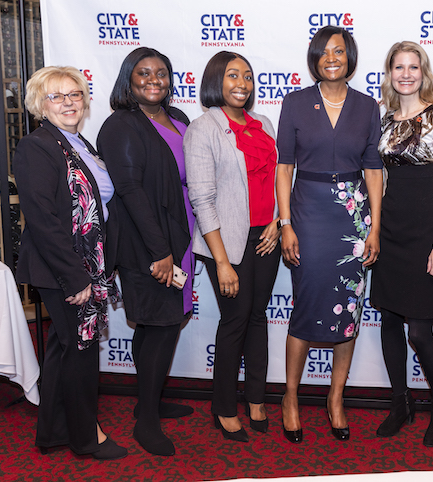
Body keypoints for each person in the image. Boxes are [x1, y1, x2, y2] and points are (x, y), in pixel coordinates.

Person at [276, 25, 383, 443]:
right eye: (323, 53)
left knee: (349, 307)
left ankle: (335, 398)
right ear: (314, 59)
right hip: (308, 212)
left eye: (339, 51)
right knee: (306, 303)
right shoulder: (297, 103)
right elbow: (285, 167)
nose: (331, 58)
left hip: (354, 218)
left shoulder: (366, 105)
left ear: (349, 57)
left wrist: (375, 225)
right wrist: (285, 224)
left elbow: (374, 167)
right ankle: (290, 397)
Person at [15, 66, 126, 459]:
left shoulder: (80, 143)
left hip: (86, 264)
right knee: (79, 352)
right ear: (40, 105)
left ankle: (53, 432)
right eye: (56, 96)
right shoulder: (38, 146)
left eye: (74, 94)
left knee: (65, 350)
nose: (68, 103)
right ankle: (86, 436)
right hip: (63, 269)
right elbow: (43, 219)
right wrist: (75, 278)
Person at [97, 47, 194, 457]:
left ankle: (147, 401)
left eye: (162, 73)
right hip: (146, 243)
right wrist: (161, 252)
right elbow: (131, 192)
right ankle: (147, 424)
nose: (154, 79)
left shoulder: (179, 120)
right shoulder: (120, 126)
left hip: (180, 235)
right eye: (144, 73)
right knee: (160, 325)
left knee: (162, 324)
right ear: (128, 79)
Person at [184, 51, 280, 442]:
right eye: (232, 76)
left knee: (258, 317)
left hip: (267, 236)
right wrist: (222, 262)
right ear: (216, 82)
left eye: (247, 76)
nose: (242, 83)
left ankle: (256, 399)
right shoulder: (203, 128)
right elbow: (202, 199)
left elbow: (278, 180)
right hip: (227, 243)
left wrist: (278, 221)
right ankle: (224, 406)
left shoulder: (265, 123)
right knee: (235, 320)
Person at [369, 41, 433, 446]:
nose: (406, 74)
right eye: (398, 67)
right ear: (389, 74)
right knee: (389, 321)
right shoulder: (384, 120)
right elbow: (381, 179)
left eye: (413, 67)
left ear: (424, 72)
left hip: (427, 232)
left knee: (420, 332)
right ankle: (400, 403)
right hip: (392, 229)